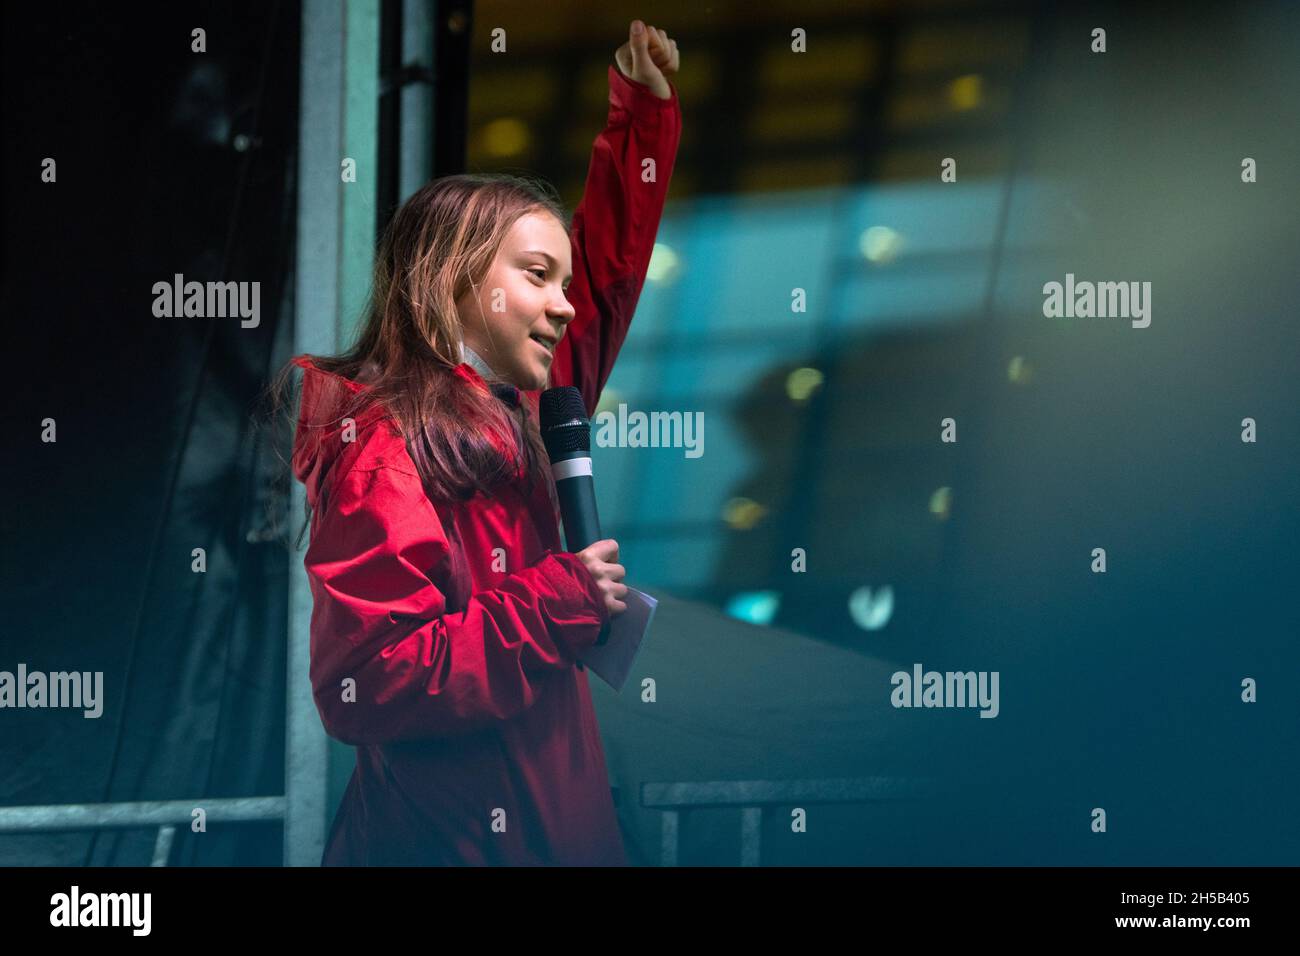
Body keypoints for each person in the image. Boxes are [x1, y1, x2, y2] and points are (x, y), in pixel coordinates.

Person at [275, 19, 680, 865]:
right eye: (537, 276)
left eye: (563, 280)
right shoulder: (380, 448)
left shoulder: (530, 406)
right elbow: (366, 684)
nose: (566, 304)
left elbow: (607, 277)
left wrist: (642, 120)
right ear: (452, 279)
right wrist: (556, 601)